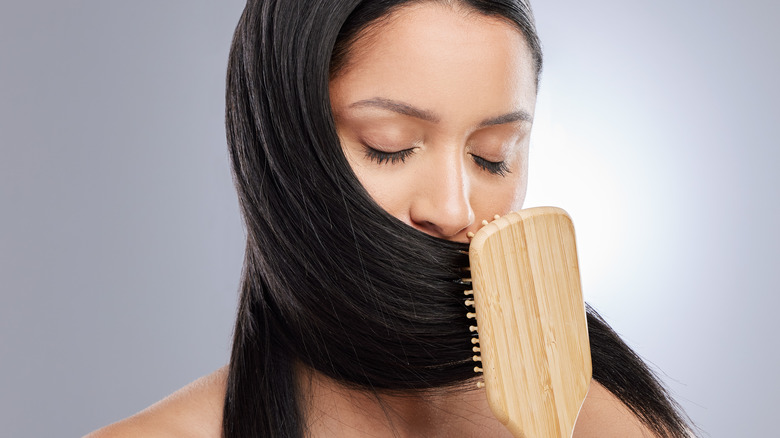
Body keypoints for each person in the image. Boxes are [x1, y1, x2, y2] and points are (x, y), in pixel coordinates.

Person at [87, 1, 695, 437]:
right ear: (283, 145)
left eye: (493, 157)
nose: (454, 210)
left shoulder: (603, 417)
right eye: (390, 146)